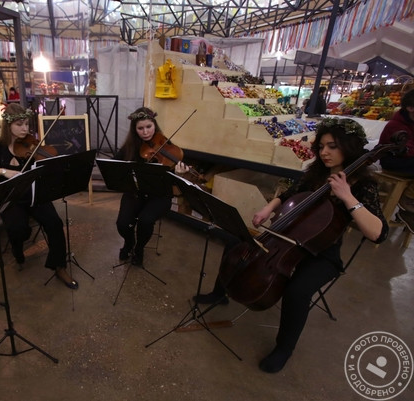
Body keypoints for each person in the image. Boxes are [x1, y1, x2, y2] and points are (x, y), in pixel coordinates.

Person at [193, 117, 388, 373]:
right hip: (286, 236)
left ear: (349, 147)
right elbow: (288, 195)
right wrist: (267, 209)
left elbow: (378, 233)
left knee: (297, 291)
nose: (324, 152)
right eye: (321, 147)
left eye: (332, 146)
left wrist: (347, 197)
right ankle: (220, 293)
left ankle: (284, 347)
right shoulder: (317, 173)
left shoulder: (363, 185)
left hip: (322, 252)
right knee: (235, 243)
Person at [0, 103, 78, 290]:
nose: (25, 129)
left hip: (35, 194)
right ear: (8, 125)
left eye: (27, 124)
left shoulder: (32, 145)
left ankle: (59, 266)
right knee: (18, 229)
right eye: (19, 124)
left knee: (55, 224)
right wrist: (3, 171)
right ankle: (17, 249)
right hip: (11, 198)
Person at [114, 107, 189, 266]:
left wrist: (178, 173)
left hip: (159, 195)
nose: (145, 132)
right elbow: (114, 164)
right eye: (140, 128)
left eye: (149, 126)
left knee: (145, 221)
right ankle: (129, 243)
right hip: (135, 192)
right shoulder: (129, 147)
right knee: (122, 224)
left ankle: (139, 248)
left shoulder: (167, 146)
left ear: (155, 125)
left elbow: (172, 181)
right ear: (134, 130)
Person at [378, 89, 414, 232]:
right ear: (410, 108)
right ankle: (408, 199)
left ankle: (408, 212)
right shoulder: (396, 125)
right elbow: (405, 151)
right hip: (393, 160)